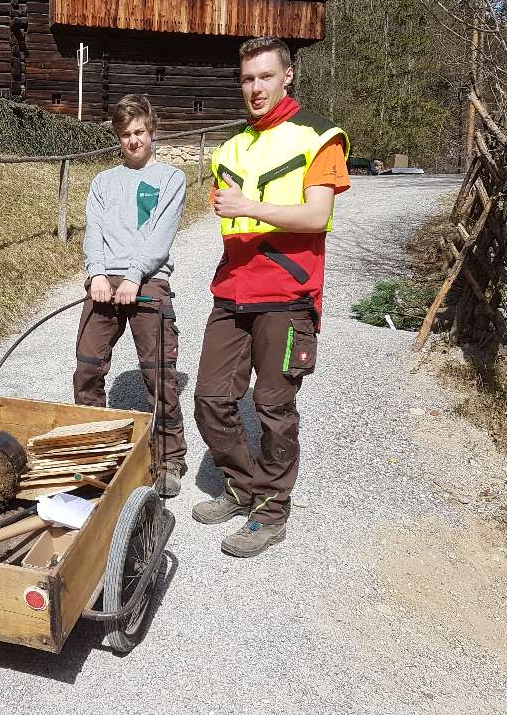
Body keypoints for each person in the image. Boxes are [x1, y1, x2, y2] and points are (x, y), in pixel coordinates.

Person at [192, 37, 351, 557]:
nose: (255, 88)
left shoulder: (318, 137)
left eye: (265, 76)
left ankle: (272, 510)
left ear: (288, 77)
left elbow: (316, 216)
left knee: (273, 405)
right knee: (212, 399)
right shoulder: (229, 148)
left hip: (287, 294)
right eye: (247, 79)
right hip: (232, 291)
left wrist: (249, 206)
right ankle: (242, 486)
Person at [74, 94, 188, 497]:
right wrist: (97, 274)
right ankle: (96, 451)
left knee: (158, 371)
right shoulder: (103, 181)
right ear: (118, 138)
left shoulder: (169, 179)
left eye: (139, 132)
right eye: (126, 135)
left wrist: (135, 276)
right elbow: (95, 231)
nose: (133, 140)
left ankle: (170, 457)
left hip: (149, 281)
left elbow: (160, 235)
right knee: (88, 365)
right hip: (106, 281)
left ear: (151, 132)